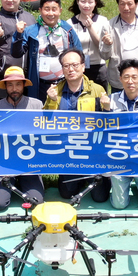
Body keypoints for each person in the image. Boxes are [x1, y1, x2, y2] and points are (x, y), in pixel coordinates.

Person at [44, 49, 111, 202]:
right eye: (66, 66)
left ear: (83, 66)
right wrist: (51, 101)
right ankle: (78, 177)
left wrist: (107, 108)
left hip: (93, 151)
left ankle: (99, 176)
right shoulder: (55, 91)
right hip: (69, 152)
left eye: (74, 65)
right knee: (66, 194)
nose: (71, 69)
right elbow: (46, 123)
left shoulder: (97, 90)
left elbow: (108, 123)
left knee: (100, 197)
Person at [102, 59, 138, 210]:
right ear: (120, 79)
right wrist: (106, 110)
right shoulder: (110, 100)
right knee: (118, 205)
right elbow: (103, 131)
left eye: (135, 77)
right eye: (126, 77)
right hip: (119, 156)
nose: (130, 81)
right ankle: (122, 183)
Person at [0, 66, 45, 210]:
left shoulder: (37, 105)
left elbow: (45, 136)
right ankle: (9, 185)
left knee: (36, 202)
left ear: (24, 85)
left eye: (18, 84)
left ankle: (24, 182)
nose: (14, 89)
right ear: (5, 87)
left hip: (29, 163)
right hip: (4, 164)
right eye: (10, 85)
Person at [12, 0, 82, 103]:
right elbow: (16, 53)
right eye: (46, 9)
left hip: (64, 83)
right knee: (39, 115)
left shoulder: (67, 30)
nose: (50, 13)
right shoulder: (31, 31)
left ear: (60, 11)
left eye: (54, 9)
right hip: (39, 84)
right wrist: (19, 34)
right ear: (40, 10)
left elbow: (79, 54)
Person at [66, 0, 109, 92]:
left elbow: (102, 47)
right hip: (77, 68)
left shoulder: (103, 21)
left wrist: (91, 28)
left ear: (95, 3)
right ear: (77, 2)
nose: (86, 5)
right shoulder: (69, 23)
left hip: (98, 67)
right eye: (83, 1)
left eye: (90, 2)